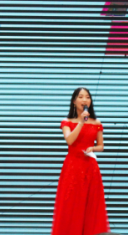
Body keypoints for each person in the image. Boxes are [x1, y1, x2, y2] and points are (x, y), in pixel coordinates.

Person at [52, 87, 110, 235]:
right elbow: (70, 140)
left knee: (92, 208)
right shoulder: (66, 122)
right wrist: (81, 122)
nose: (85, 100)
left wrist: (93, 148)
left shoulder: (97, 122)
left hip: (90, 168)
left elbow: (101, 146)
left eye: (88, 97)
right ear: (74, 101)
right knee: (71, 207)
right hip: (72, 168)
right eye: (81, 97)